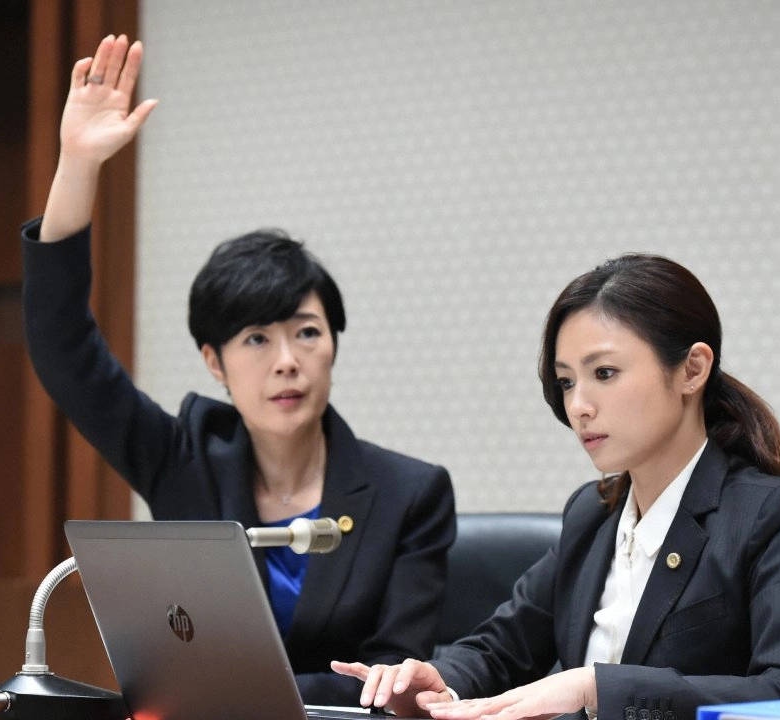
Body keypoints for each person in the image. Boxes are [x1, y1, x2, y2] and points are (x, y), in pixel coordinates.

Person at [22, 35, 456, 705]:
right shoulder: (184, 461)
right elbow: (63, 348)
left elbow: (390, 681)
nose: (286, 362)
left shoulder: (410, 495)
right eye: (256, 339)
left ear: (333, 344)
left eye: (306, 333)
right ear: (214, 362)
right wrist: (77, 164)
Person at [334, 254, 780, 720]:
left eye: (604, 372)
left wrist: (597, 687)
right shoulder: (592, 513)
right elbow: (501, 648)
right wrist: (440, 685)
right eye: (566, 382)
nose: (579, 405)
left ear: (692, 370)